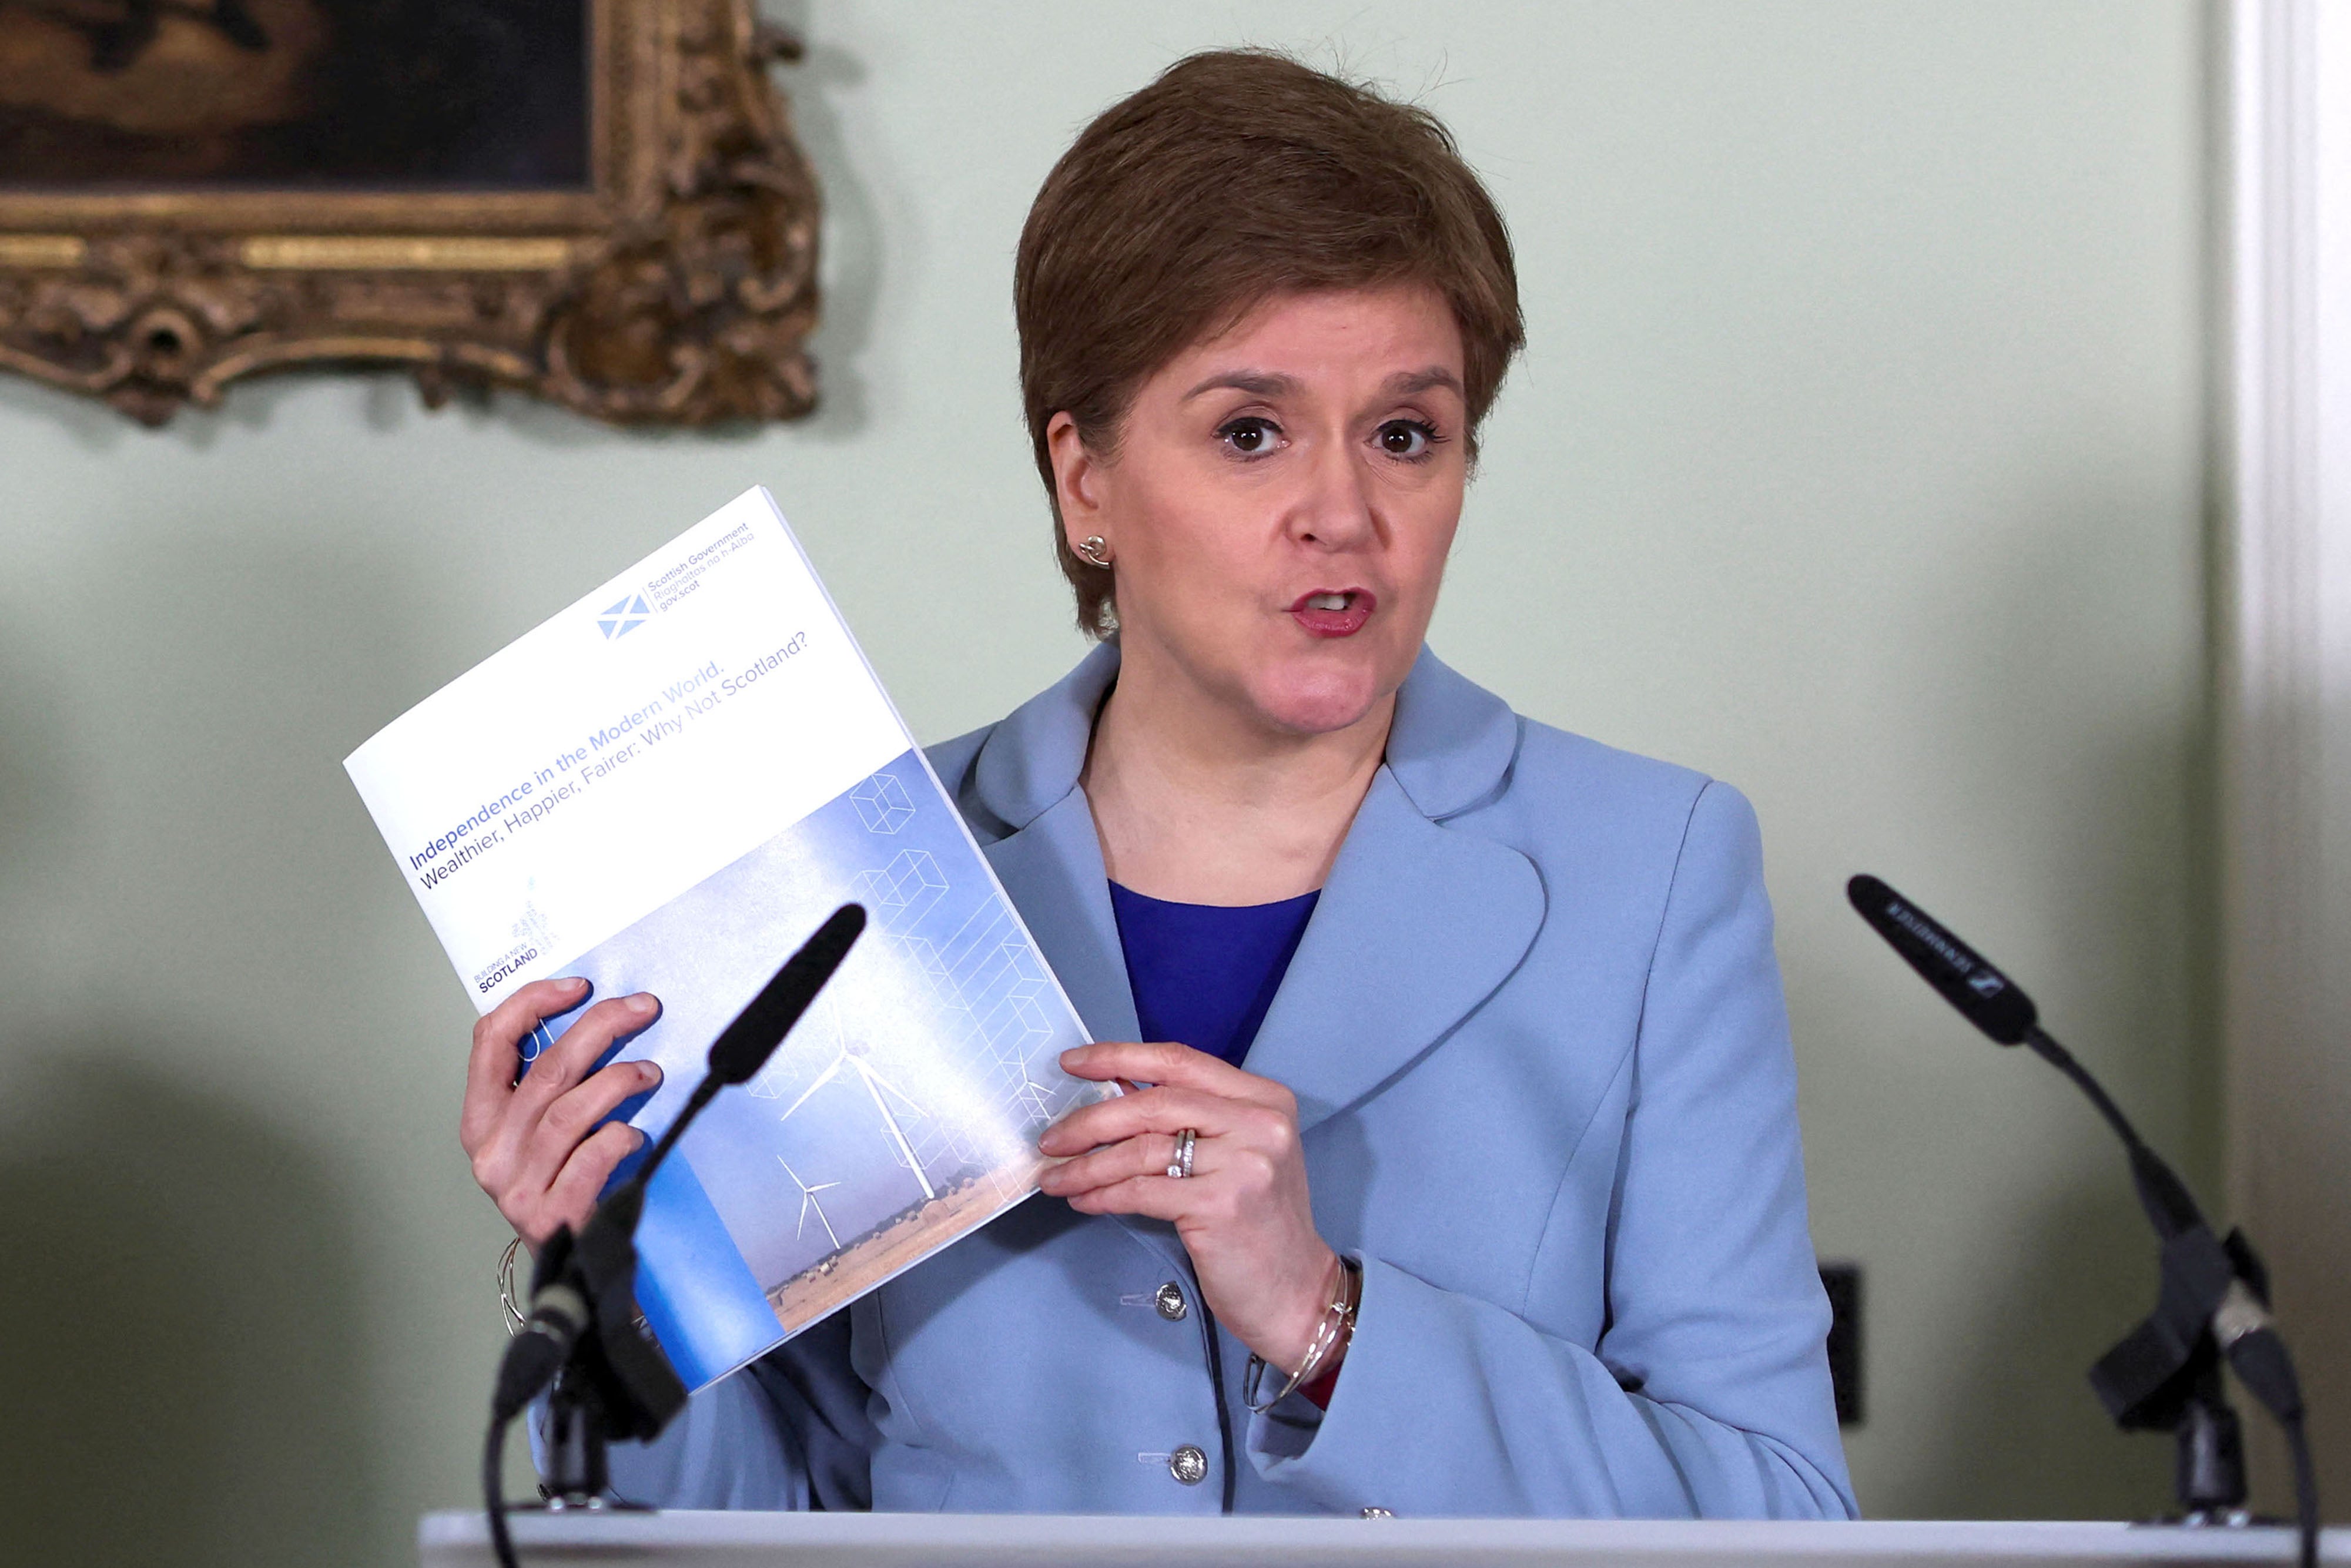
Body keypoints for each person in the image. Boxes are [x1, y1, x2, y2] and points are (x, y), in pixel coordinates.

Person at [458, 49, 1857, 1519]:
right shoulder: (848, 877)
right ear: (1085, 482)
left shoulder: (1651, 871)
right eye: (1248, 431)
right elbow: (761, 1512)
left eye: (1406, 433)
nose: (1344, 515)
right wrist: (614, 1282)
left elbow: (1772, 1509)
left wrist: (1327, 1317)